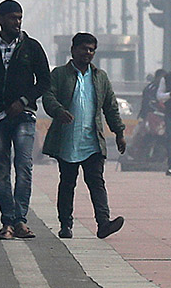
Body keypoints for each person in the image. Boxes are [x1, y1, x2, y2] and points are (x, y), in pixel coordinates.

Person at [0, 0, 50, 240]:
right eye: (13, 18)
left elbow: (44, 81)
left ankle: (21, 219)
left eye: (19, 18)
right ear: (0, 19)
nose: (17, 22)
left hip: (24, 116)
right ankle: (7, 221)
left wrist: (24, 101)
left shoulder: (32, 48)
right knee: (1, 171)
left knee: (23, 167)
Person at [41, 32, 126, 240]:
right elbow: (48, 95)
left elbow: (111, 106)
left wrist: (119, 132)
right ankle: (65, 224)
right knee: (68, 183)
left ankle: (104, 223)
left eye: (91, 50)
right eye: (84, 49)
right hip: (67, 141)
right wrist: (58, 111)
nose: (87, 53)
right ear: (73, 50)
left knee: (96, 181)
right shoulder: (59, 74)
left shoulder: (100, 77)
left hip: (92, 141)